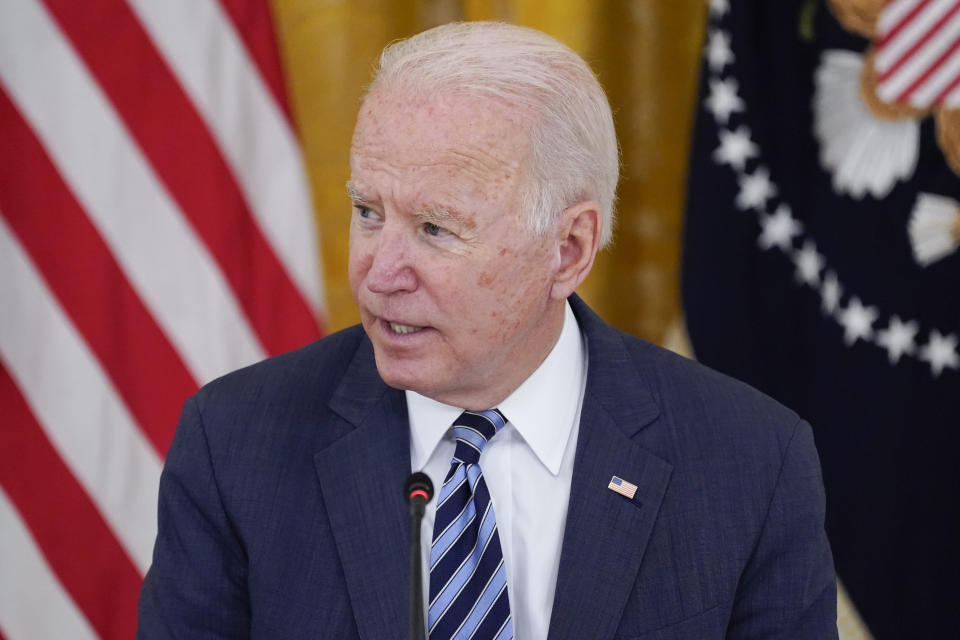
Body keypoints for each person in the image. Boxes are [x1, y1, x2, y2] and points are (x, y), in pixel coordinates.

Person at [137, 21, 837, 640]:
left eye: (436, 229)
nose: (379, 274)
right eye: (369, 211)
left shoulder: (749, 463)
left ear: (568, 250)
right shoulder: (234, 444)